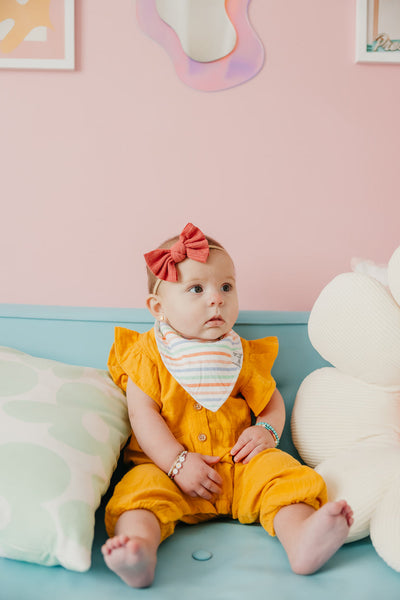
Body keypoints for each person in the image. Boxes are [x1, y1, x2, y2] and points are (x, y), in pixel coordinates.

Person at [101, 223, 353, 588]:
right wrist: (176, 462)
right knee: (139, 491)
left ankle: (300, 537)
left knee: (280, 473)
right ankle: (138, 550)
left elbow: (270, 402)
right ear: (158, 307)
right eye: (196, 289)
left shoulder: (240, 353)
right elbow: (142, 415)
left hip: (237, 469)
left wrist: (266, 430)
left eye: (226, 286)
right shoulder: (149, 355)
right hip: (169, 474)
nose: (216, 298)